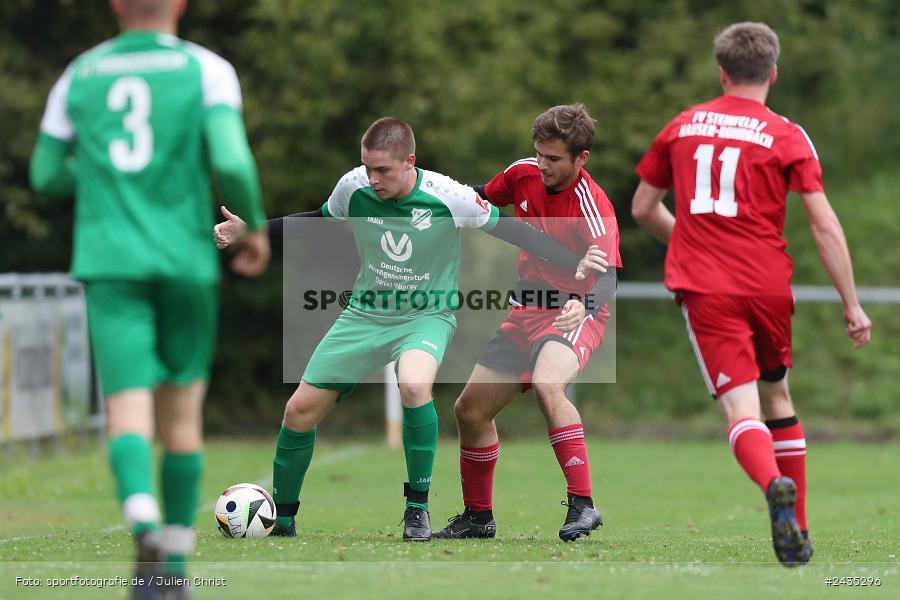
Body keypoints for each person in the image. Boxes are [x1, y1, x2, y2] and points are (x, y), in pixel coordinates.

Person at [213, 117, 609, 541]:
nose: (373, 178)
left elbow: (513, 229)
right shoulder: (353, 188)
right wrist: (250, 232)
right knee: (298, 410)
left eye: (383, 169)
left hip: (426, 316)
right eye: (368, 168)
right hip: (363, 315)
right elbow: (314, 220)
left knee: (415, 385)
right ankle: (284, 519)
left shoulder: (447, 196)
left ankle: (417, 509)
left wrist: (576, 264)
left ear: (409, 162)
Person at [29, 0, 270, 597]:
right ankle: (175, 567)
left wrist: (103, 176)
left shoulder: (80, 72)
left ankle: (142, 521)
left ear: (114, 6)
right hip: (185, 260)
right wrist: (256, 227)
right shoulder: (206, 69)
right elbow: (233, 160)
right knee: (181, 416)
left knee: (129, 411)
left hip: (111, 262)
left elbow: (43, 174)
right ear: (180, 5)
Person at [630, 22, 871, 566]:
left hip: (707, 287)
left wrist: (691, 242)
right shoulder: (788, 135)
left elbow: (644, 208)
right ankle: (799, 531)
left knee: (742, 411)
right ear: (773, 73)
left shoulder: (683, 125)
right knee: (779, 397)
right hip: (767, 285)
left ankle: (771, 487)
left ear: (721, 72)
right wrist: (850, 303)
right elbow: (824, 225)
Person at [432, 104, 621, 542]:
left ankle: (583, 505)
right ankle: (478, 518)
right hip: (525, 311)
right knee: (470, 410)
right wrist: (430, 200)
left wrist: (587, 305)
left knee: (547, 383)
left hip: (573, 309)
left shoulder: (592, 207)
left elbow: (610, 275)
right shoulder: (523, 173)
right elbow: (480, 197)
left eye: (553, 159)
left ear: (581, 158)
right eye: (539, 154)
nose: (543, 165)